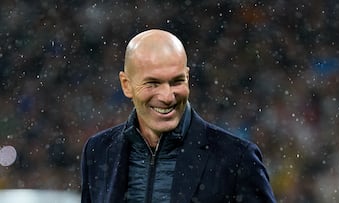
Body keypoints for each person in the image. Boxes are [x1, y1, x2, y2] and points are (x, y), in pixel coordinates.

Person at [81, 29, 276, 203]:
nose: (167, 96)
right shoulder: (98, 151)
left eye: (176, 81)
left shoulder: (236, 157)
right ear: (126, 84)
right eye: (152, 83)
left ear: (188, 77)